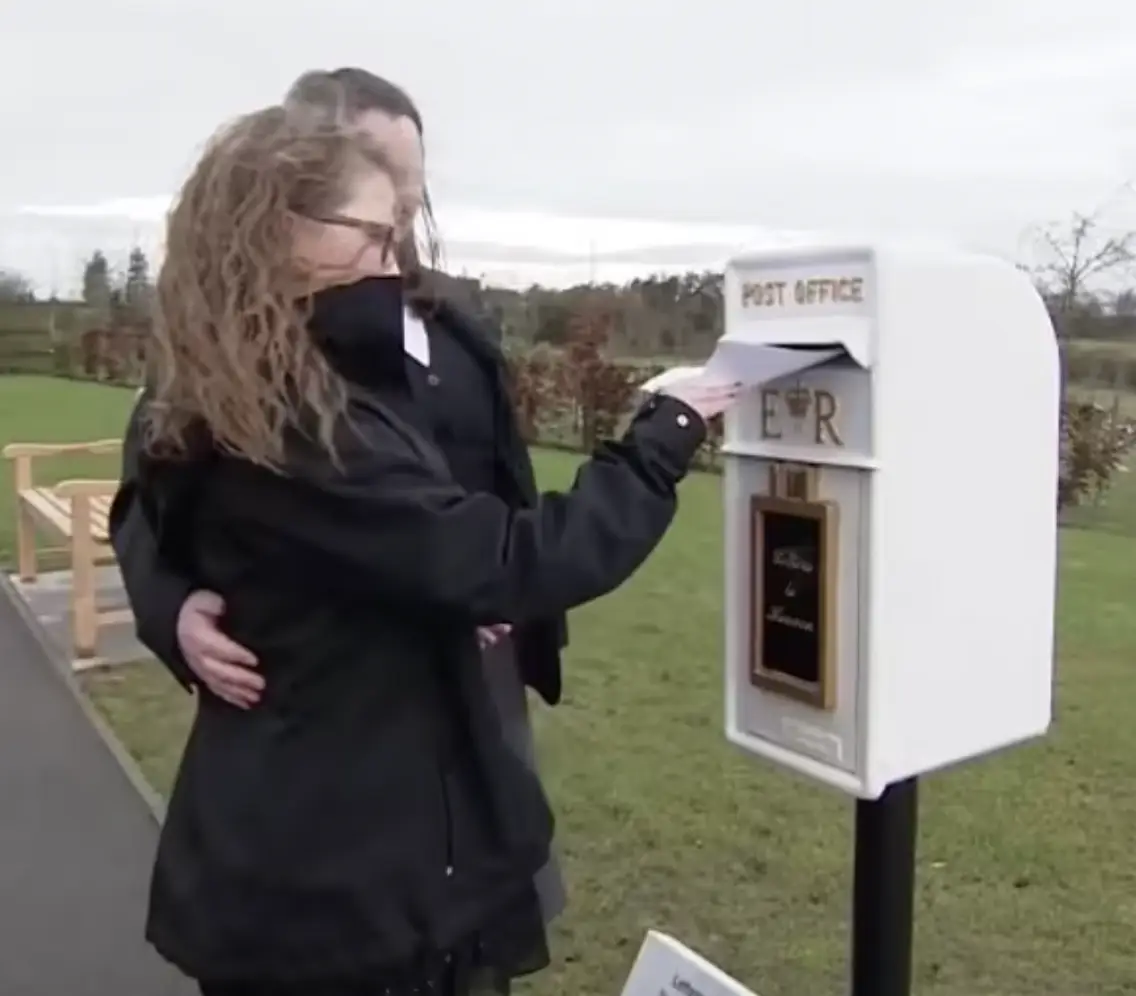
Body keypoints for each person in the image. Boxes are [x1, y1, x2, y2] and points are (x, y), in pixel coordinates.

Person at [129, 95, 742, 996]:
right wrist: (666, 432)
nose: (394, 261)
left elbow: (398, 547)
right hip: (341, 878)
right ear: (282, 229)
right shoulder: (290, 426)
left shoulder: (253, 381)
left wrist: (440, 582)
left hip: (347, 813)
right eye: (377, 236)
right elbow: (514, 559)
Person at [109, 67, 572, 925]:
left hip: (477, 649)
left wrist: (502, 584)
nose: (399, 215)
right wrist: (172, 609)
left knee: (497, 890)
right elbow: (146, 491)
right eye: (378, 184)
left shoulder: (455, 322)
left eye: (411, 194)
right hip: (348, 702)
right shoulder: (236, 352)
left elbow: (502, 474)